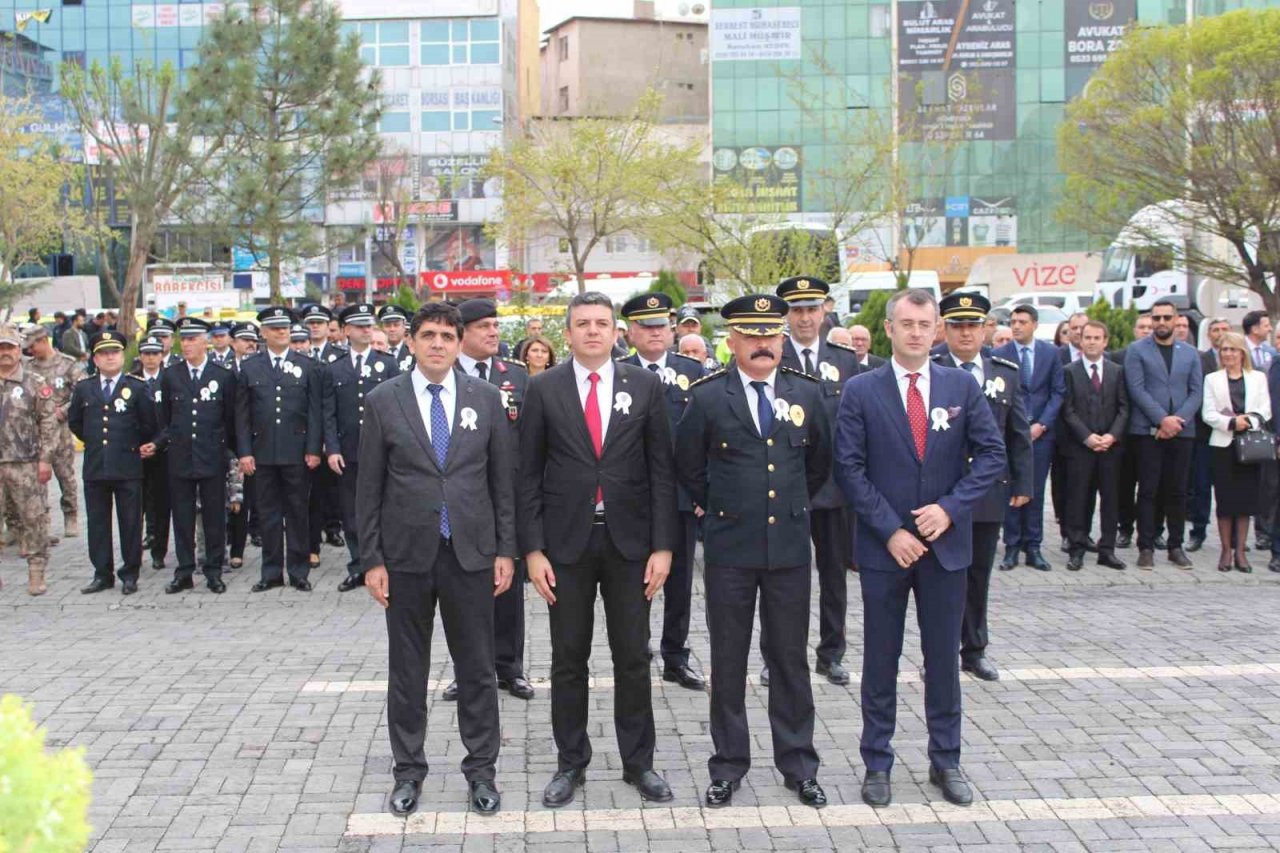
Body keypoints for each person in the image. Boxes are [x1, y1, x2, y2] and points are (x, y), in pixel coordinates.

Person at [834, 289, 1004, 809]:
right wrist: (891, 530)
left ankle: (946, 759)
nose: (914, 332)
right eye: (905, 323)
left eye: (923, 324)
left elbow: (992, 455)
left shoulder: (960, 386)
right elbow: (849, 468)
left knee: (943, 662)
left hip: (946, 547)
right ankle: (877, 762)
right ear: (888, 328)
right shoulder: (861, 390)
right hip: (888, 550)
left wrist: (950, 508)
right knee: (881, 659)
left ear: (936, 330)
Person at [518, 291, 677, 808]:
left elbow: (661, 471)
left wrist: (663, 547)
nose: (592, 331)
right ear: (567, 333)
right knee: (568, 657)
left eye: (602, 324)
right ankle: (571, 762)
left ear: (617, 333)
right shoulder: (543, 388)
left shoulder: (645, 386)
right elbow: (528, 475)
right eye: (582, 323)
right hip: (566, 545)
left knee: (633, 655)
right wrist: (533, 550)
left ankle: (639, 762)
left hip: (631, 544)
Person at [358, 301, 515, 818]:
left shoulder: (486, 398)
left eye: (448, 335)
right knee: (407, 670)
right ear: (411, 341)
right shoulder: (384, 400)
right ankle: (408, 771)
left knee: (477, 668)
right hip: (406, 557)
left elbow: (502, 483)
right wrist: (371, 558)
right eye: (428, 335)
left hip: (470, 554)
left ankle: (482, 772)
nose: (438, 344)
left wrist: (505, 550)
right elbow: (369, 486)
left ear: (459, 341)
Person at [675, 292, 832, 809]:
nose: (762, 343)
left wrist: (789, 510)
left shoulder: (807, 395)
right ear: (733, 340)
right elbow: (690, 470)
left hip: (787, 548)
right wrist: (723, 509)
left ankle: (799, 764)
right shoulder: (706, 397)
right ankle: (728, 765)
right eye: (751, 334)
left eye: (770, 334)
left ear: (782, 338)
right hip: (730, 549)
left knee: (789, 659)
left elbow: (818, 467)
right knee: (728, 658)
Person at [931, 293, 1033, 682]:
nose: (966, 333)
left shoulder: (1004, 370)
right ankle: (937, 654)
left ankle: (974, 650)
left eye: (973, 325)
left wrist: (1023, 481)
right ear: (946, 328)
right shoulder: (932, 366)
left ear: (985, 328)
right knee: (941, 577)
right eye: (957, 325)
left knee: (978, 575)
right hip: (942, 492)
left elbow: (1017, 430)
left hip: (988, 491)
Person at [770, 276, 862, 686]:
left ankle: (831, 653)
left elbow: (857, 424)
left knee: (833, 576)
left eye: (812, 309)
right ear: (786, 315)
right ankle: (778, 658)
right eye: (797, 310)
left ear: (825, 310)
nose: (805, 318)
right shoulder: (772, 354)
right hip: (787, 485)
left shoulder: (845, 359)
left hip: (835, 488)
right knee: (781, 580)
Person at [443, 298, 533, 702]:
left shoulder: (516, 376)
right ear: (463, 334)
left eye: (496, 325)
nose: (494, 333)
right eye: (484, 327)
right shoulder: (440, 375)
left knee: (509, 585)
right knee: (465, 588)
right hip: (461, 498)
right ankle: (468, 671)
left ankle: (510, 667)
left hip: (508, 495)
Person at [619, 292, 707, 692]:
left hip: (682, 496)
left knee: (680, 581)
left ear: (672, 330)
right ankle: (635, 650)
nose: (654, 333)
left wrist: (704, 492)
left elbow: (707, 436)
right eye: (645, 326)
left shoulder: (694, 370)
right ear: (631, 333)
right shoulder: (617, 373)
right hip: (633, 499)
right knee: (635, 581)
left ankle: (675, 656)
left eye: (660, 326)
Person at [235, 306, 324, 592]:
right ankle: (271, 572)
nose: (282, 332)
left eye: (285, 327)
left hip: (296, 452)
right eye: (274, 328)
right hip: (262, 453)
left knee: (298, 513)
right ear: (263, 333)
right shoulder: (250, 367)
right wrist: (245, 452)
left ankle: (299, 571)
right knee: (268, 515)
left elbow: (314, 412)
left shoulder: (307, 365)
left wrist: (313, 449)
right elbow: (242, 415)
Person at [69, 331, 158, 596]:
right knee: (97, 523)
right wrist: (95, 442)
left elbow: (149, 424)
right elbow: (76, 422)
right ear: (95, 359)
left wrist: (130, 447)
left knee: (130, 523)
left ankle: (130, 573)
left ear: (122, 356)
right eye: (103, 353)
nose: (109, 357)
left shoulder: (138, 387)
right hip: (96, 467)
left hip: (127, 466)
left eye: (114, 352)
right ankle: (102, 573)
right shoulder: (84, 388)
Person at [155, 317, 238, 595]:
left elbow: (229, 419)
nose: (187, 344)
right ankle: (185, 571)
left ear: (206, 341)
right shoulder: (171, 375)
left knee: (214, 517)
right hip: (180, 456)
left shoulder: (222, 375)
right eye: (184, 339)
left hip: (212, 455)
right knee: (182, 517)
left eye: (193, 339)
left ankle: (214, 570)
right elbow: (165, 417)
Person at [323, 303, 400, 593]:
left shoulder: (388, 363)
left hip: (384, 449)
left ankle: (388, 563)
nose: (366, 330)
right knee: (352, 512)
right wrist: (332, 448)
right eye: (359, 326)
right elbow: (327, 412)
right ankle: (358, 565)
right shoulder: (334, 368)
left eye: (369, 325)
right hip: (349, 451)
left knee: (387, 507)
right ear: (345, 331)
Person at [1124, 298, 1203, 569]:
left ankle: (1175, 546)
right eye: (1156, 318)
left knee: (1178, 491)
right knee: (1148, 490)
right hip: (1147, 432)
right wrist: (1161, 420)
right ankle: (1146, 546)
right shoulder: (1136, 350)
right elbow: (1137, 389)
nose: (1161, 323)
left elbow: (1196, 392)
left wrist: (1176, 421)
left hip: (1182, 431)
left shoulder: (1190, 353)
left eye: (1166, 318)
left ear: (1176, 319)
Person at [994, 305, 1064, 571]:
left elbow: (1057, 392)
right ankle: (1012, 547)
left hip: (1041, 434)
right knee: (1011, 487)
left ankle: (1033, 546)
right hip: (1011, 433)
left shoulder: (1051, 353)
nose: (1016, 326)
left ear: (1034, 324)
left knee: (1034, 489)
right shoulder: (1000, 354)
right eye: (1013, 322)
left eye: (1022, 322)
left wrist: (1042, 424)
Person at [1060, 321, 1130, 572]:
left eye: (1096, 337)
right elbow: (1067, 409)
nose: (1091, 341)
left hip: (1110, 448)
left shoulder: (1117, 371)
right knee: (1079, 498)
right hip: (1081, 448)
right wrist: (1086, 437)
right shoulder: (1069, 370)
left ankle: (1107, 549)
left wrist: (1112, 436)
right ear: (1080, 341)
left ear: (1105, 341)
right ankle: (1077, 548)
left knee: (1111, 499)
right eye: (1087, 337)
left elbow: (1124, 407)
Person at [1202, 332, 1270, 573]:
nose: (1228, 354)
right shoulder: (1212, 379)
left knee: (1245, 501)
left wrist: (1247, 422)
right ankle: (1225, 551)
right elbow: (1208, 413)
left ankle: (1241, 551)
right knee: (1225, 500)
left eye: (1233, 349)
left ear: (1242, 352)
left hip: (1250, 445)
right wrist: (1231, 423)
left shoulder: (1258, 378)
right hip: (1223, 444)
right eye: (1224, 350)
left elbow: (1265, 410)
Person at [0, 324, 57, 595]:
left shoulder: (34, 382)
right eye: (0, 348)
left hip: (26, 463)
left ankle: (36, 572)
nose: (5, 353)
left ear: (18, 349)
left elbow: (48, 421)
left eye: (9, 347)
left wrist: (45, 459)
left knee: (33, 519)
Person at [23, 324, 85, 538]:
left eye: (32, 346)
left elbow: (80, 393)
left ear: (43, 341)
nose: (30, 351)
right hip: (34, 430)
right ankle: (42, 521)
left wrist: (63, 411)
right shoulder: (28, 368)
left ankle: (71, 515)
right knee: (35, 478)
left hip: (60, 428)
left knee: (65, 474)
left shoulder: (67, 364)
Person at [300, 305, 347, 564]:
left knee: (332, 489)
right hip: (307, 433)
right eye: (311, 323)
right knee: (313, 491)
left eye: (320, 322)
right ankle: (313, 542)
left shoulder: (338, 356)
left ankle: (333, 528)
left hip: (333, 433)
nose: (315, 326)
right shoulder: (300, 355)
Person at [1188, 317, 1230, 551]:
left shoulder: (1243, 362)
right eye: (1215, 330)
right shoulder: (1200, 359)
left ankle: (1235, 535)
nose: (1220, 333)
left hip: (1232, 436)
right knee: (1201, 487)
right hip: (1204, 434)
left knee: (1230, 486)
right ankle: (1198, 531)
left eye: (1224, 329)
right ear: (1209, 334)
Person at [132, 336, 172, 570]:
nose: (150, 358)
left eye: (154, 354)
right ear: (140, 356)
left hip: (163, 451)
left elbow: (174, 418)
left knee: (160, 505)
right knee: (135, 506)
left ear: (161, 356)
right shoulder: (132, 381)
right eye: (146, 354)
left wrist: (157, 443)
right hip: (135, 452)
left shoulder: (169, 380)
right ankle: (134, 551)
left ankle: (159, 550)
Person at [1243, 310, 1278, 551]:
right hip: (1273, 436)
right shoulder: (1275, 363)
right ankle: (1269, 538)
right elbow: (1274, 403)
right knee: (1271, 488)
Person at [379, 304, 414, 372]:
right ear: (382, 328)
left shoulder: (413, 353)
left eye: (396, 325)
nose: (392, 329)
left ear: (404, 326)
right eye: (388, 325)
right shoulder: (376, 352)